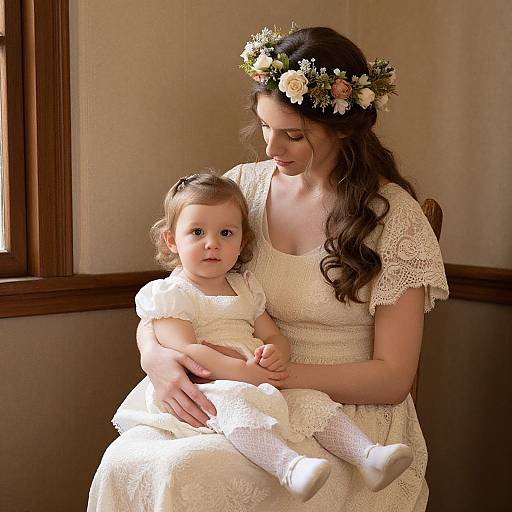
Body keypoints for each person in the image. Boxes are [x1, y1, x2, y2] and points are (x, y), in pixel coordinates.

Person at [88, 26, 449, 511]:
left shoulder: (395, 218)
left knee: (183, 469)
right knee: (126, 459)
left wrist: (265, 378)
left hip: (343, 417)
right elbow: (178, 292)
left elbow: (393, 377)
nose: (271, 148)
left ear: (343, 126)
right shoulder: (243, 189)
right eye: (265, 127)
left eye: (293, 135)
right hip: (237, 390)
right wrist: (153, 356)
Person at [110, 172, 415, 503]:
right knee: (238, 407)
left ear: (241, 242)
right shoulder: (170, 293)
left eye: (225, 233)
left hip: (259, 377)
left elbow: (271, 333)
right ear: (172, 240)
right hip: (207, 386)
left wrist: (275, 353)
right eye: (197, 233)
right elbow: (187, 349)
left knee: (311, 401)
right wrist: (244, 372)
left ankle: (368, 456)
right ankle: (290, 467)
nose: (212, 243)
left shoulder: (245, 286)